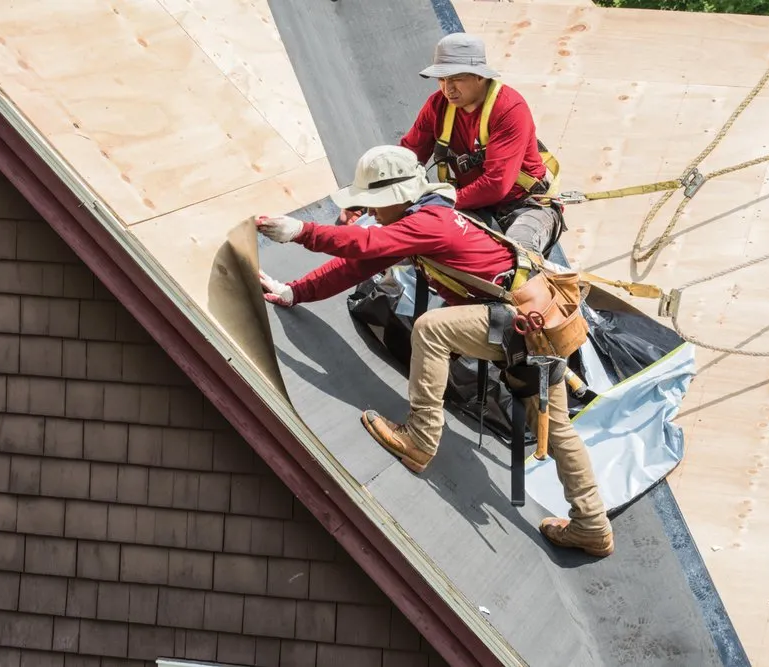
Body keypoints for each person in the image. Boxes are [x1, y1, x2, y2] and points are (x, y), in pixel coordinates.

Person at [253, 144, 613, 558]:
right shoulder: (426, 217)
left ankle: (420, 440)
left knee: (431, 328)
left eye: (374, 204)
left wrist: (301, 232)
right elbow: (359, 264)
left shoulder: (427, 222)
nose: (372, 213)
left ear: (398, 197)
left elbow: (364, 245)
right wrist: (295, 290)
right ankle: (592, 525)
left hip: (519, 325)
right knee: (559, 427)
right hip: (536, 325)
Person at [394, 32, 565, 257]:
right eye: (442, 79)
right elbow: (408, 156)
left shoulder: (509, 109)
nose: (448, 89)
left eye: (456, 78)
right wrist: (373, 198)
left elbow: (496, 184)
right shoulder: (438, 106)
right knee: (416, 243)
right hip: (470, 205)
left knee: (518, 255)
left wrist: (441, 202)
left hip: (526, 206)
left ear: (480, 77)